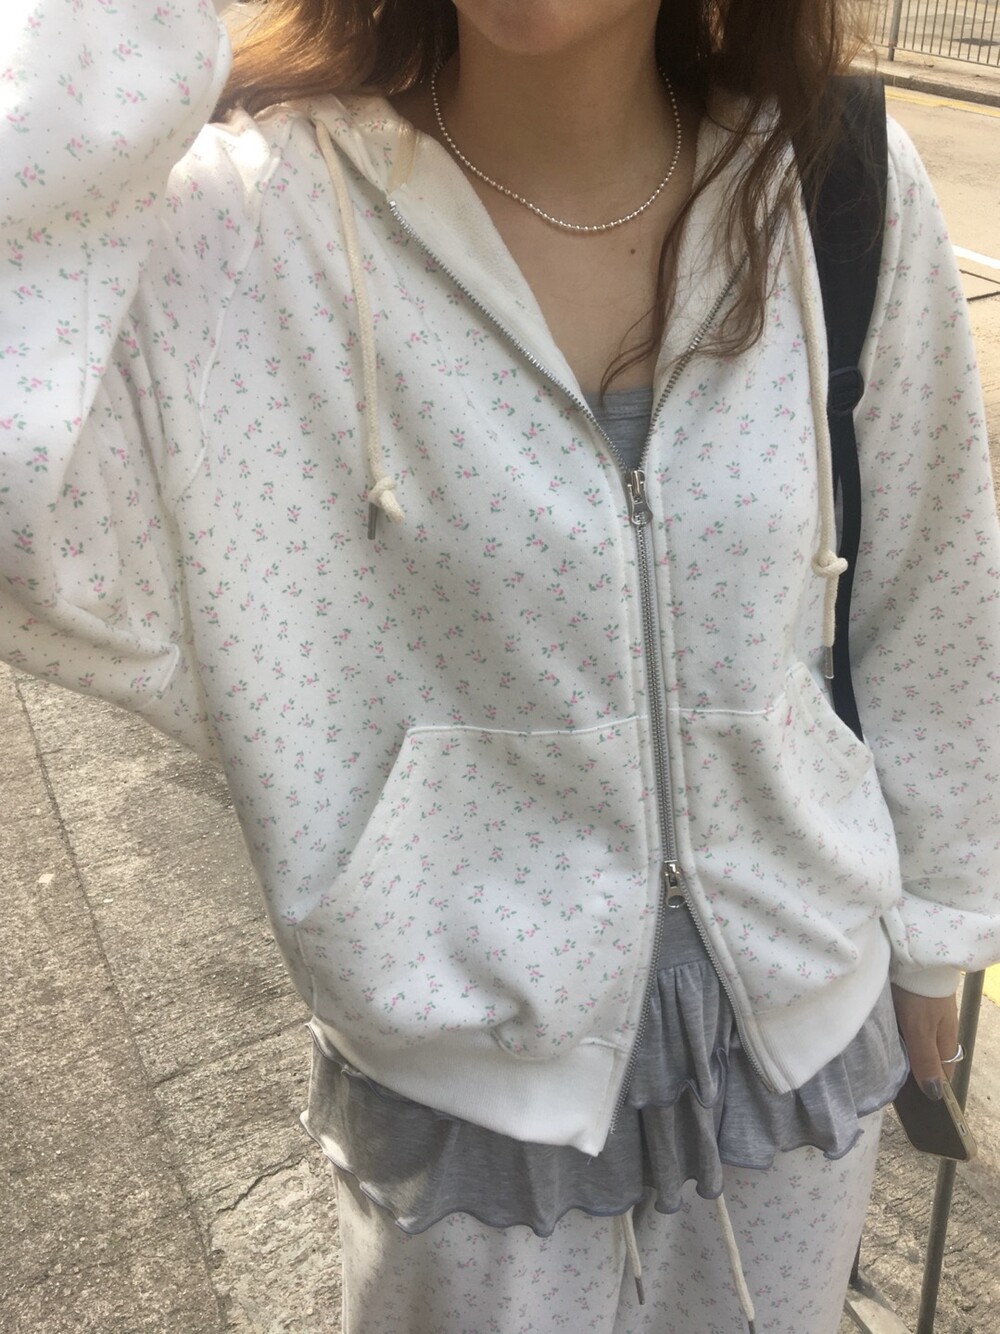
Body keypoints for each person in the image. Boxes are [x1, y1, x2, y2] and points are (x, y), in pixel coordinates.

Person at [3, 1, 999, 1330]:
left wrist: (939, 928)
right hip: (461, 1083)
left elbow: (933, 578)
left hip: (804, 1049)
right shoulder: (241, 223)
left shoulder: (832, 183)